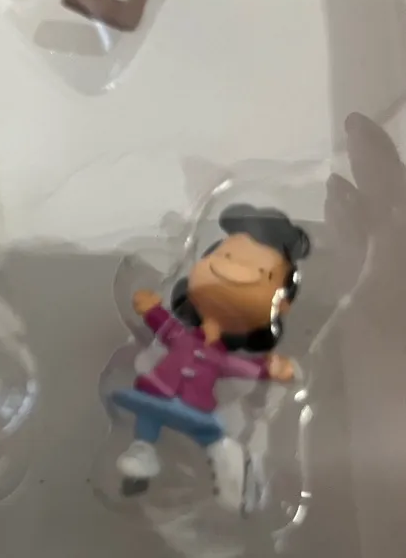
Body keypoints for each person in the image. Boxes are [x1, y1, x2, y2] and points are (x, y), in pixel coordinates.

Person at [112, 203, 310, 512]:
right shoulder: (182, 336)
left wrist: (268, 369)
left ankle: (229, 465)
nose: (233, 270)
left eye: (262, 272)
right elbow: (165, 328)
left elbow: (239, 367)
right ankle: (143, 454)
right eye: (226, 256)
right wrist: (150, 308)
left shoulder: (221, 356)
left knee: (210, 434)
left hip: (194, 406)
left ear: (280, 304)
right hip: (157, 393)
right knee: (148, 422)